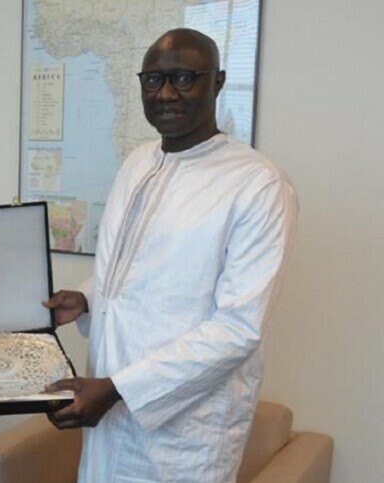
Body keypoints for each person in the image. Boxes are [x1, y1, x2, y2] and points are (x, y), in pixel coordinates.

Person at [43, 28, 298, 482]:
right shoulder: (138, 162)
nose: (165, 94)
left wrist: (119, 388)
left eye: (184, 78)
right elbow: (130, 273)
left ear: (217, 82)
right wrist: (87, 298)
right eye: (152, 80)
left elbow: (239, 329)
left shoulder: (258, 184)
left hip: (184, 438)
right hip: (107, 409)